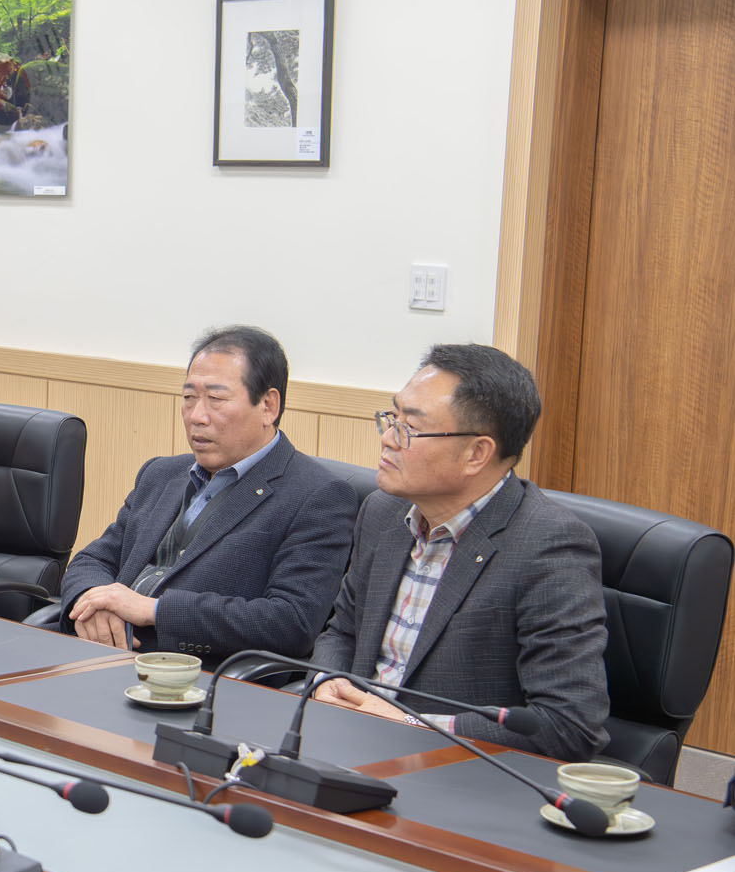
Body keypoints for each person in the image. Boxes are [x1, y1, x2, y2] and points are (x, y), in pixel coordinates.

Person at [310, 344, 609, 762]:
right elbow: (342, 632)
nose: (387, 438)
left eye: (410, 428)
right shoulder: (383, 511)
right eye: (392, 418)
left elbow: (567, 725)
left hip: (451, 767)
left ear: (476, 454)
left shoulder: (549, 546)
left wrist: (409, 723)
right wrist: (326, 682)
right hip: (348, 741)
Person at [59, 326, 357, 659]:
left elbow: (290, 621)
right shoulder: (161, 473)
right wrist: (92, 601)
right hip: (99, 651)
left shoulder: (318, 497)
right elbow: (93, 559)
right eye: (189, 398)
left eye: (216, 400)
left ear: (268, 406)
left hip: (189, 672)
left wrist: (153, 610)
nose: (197, 417)